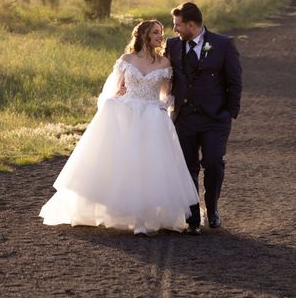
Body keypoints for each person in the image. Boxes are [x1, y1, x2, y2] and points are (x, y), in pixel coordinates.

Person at [39, 20, 199, 235]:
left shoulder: (164, 64)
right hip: (127, 113)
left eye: (161, 32)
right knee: (123, 163)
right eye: (155, 32)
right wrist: (114, 103)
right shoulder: (126, 60)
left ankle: (144, 218)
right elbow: (113, 90)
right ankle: (119, 214)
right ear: (143, 35)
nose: (161, 36)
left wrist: (165, 109)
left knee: (150, 166)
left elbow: (166, 94)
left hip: (152, 117)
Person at [166, 2, 242, 235]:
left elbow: (234, 81)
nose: (175, 29)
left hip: (214, 119)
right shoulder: (172, 45)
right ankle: (193, 216)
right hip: (184, 119)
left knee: (213, 162)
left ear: (191, 24)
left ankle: (212, 208)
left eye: (178, 25)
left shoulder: (223, 44)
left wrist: (228, 113)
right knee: (188, 167)